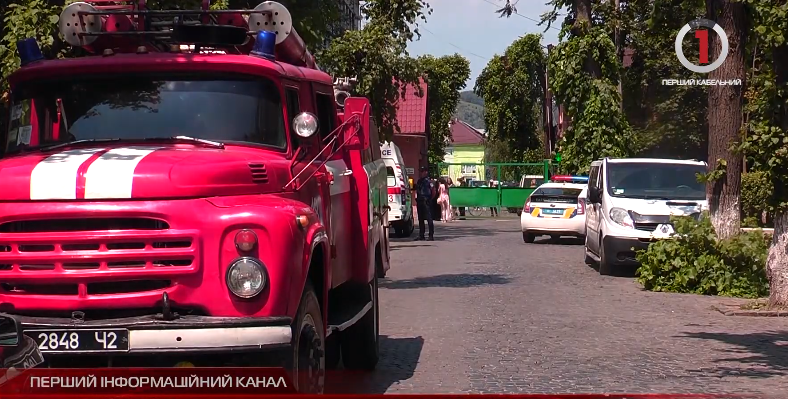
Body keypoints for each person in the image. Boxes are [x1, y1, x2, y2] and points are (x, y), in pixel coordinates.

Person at [414, 166, 435, 241]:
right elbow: (417, 190)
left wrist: (429, 199)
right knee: (421, 219)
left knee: (429, 219)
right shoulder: (419, 181)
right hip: (420, 201)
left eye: (423, 171)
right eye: (421, 171)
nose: (421, 173)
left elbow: (433, 192)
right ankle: (421, 235)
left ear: (426, 172)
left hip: (426, 201)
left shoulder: (429, 181)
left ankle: (431, 235)